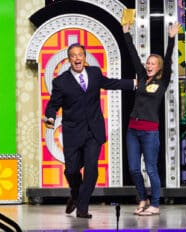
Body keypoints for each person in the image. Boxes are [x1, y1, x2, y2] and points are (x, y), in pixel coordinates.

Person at [44, 43, 136, 219]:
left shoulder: (94, 72)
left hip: (94, 132)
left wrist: (133, 83)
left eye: (80, 55)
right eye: (73, 55)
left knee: (92, 170)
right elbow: (53, 105)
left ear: (84, 57)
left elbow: (110, 83)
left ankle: (82, 207)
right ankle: (76, 195)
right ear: (69, 59)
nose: (77, 58)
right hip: (72, 133)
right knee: (71, 170)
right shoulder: (60, 81)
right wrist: (50, 117)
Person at [122, 22, 180, 216]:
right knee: (133, 169)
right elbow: (132, 55)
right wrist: (126, 34)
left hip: (149, 131)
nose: (148, 66)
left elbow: (169, 60)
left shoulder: (162, 80)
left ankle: (154, 204)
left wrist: (172, 39)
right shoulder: (140, 75)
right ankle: (143, 198)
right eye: (147, 63)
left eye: (152, 64)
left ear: (159, 67)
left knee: (151, 169)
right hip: (132, 129)